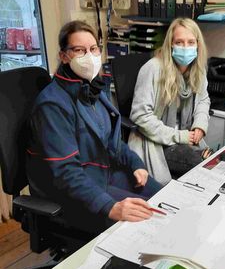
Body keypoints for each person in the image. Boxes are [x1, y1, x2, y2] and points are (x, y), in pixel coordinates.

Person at [26, 20, 162, 235]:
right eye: (79, 50)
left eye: (93, 49)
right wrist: (110, 206)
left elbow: (111, 142)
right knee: (151, 221)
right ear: (64, 56)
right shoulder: (52, 105)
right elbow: (66, 174)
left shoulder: (92, 89)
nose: (89, 56)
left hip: (102, 173)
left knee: (165, 200)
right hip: (74, 191)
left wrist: (136, 163)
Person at [128, 18, 211, 185]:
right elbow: (140, 115)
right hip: (155, 140)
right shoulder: (153, 69)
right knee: (203, 167)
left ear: (198, 45)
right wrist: (179, 136)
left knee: (212, 161)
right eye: (179, 42)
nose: (185, 47)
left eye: (190, 42)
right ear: (170, 44)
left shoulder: (198, 71)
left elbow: (203, 99)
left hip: (185, 136)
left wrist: (200, 125)